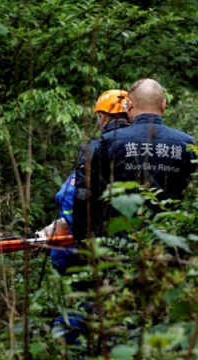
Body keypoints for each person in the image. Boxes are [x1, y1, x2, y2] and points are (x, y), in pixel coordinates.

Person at [50, 90, 130, 346]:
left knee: (82, 303)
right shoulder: (135, 150)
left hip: (84, 245)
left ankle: (66, 345)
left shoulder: (95, 150)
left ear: (104, 117)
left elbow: (69, 197)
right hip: (123, 246)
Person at [85, 79, 196, 238]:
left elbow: (94, 194)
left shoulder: (110, 142)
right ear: (163, 106)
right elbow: (186, 185)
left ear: (128, 105)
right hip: (169, 242)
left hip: (119, 245)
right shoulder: (186, 144)